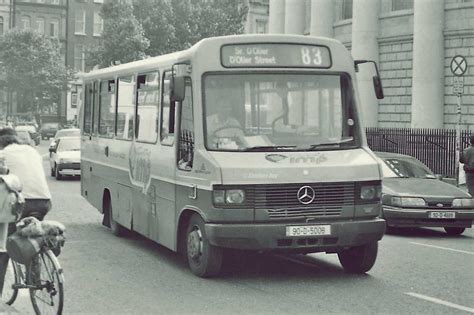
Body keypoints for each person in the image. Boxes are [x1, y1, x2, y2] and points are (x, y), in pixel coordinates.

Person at [0, 128, 52, 295]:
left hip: (20, 203)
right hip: (44, 201)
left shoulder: (3, 155)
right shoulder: (32, 151)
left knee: (4, 245)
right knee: (31, 235)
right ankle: (34, 278)